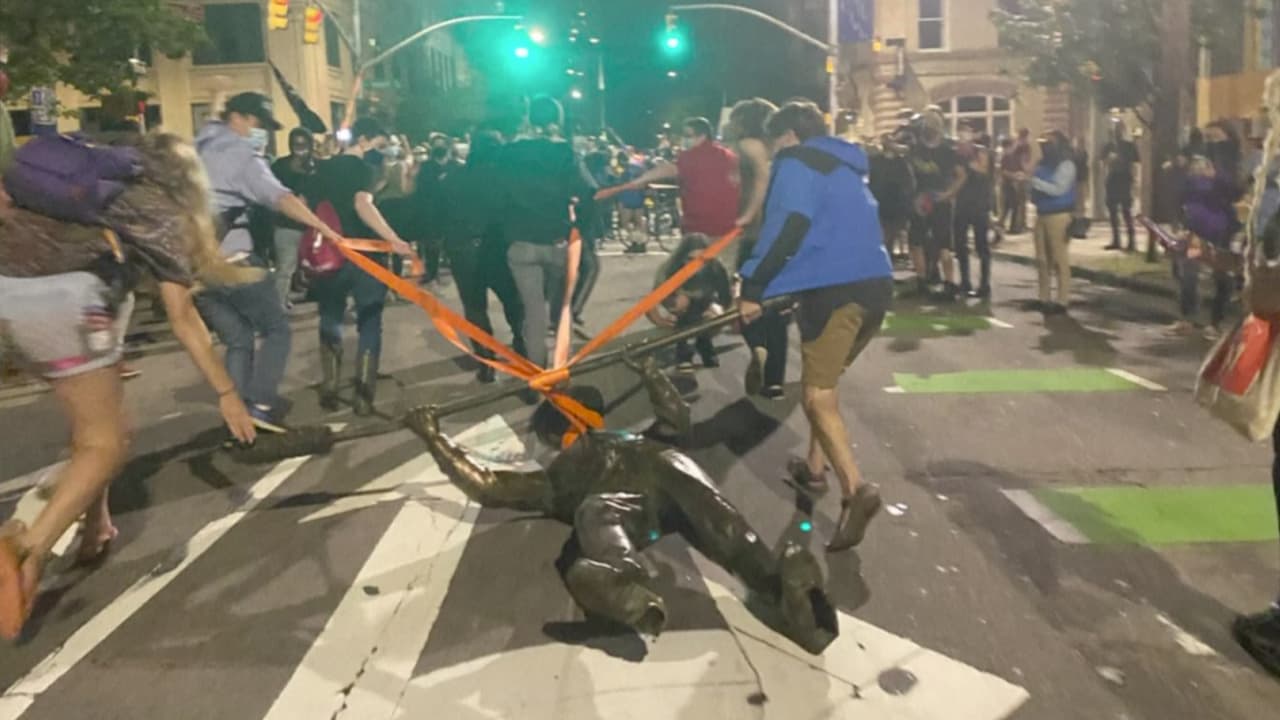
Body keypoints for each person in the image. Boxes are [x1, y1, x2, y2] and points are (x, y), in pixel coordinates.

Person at [0, 132, 258, 639]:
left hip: (7, 293)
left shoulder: (79, 180)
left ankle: (96, 529)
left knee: (98, 428)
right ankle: (22, 551)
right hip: (62, 305)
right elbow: (182, 317)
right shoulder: (161, 212)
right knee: (105, 443)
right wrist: (227, 393)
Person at [405, 390, 839, 655]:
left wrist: (432, 436)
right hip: (670, 471)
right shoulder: (638, 439)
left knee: (596, 517)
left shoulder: (559, 476)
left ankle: (622, 580)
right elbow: (675, 415)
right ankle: (794, 598)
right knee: (729, 531)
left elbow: (486, 486)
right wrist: (649, 370)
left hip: (623, 506)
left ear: (555, 437)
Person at [737, 100, 893, 552]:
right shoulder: (845, 167)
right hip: (875, 284)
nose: (770, 150)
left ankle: (855, 490)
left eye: (773, 141)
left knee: (817, 396)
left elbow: (789, 224)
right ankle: (814, 468)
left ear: (787, 136)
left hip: (833, 291)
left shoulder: (795, 163)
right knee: (824, 382)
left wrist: (754, 286)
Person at [194, 89, 345, 433]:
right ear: (242, 119)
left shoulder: (204, 140)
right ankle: (260, 405)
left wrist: (218, 96)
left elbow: (212, 120)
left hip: (197, 268)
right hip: (235, 260)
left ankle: (236, 412)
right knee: (276, 330)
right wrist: (324, 228)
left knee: (238, 339)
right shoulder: (243, 157)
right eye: (259, 123)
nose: (261, 132)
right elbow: (279, 197)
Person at [311, 117, 415, 416]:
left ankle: (330, 386)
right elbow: (362, 204)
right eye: (379, 145)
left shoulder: (323, 169)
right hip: (365, 256)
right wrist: (393, 239)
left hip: (329, 256)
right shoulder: (365, 170)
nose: (381, 153)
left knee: (329, 316)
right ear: (365, 140)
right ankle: (363, 395)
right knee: (369, 321)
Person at [497, 96, 596, 370]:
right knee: (561, 308)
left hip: (520, 241)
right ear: (557, 120)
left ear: (529, 118)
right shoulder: (565, 153)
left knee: (534, 312)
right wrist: (579, 228)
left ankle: (536, 373)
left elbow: (497, 193)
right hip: (556, 240)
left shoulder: (510, 153)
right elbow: (590, 191)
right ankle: (562, 369)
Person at [435, 130, 526, 383]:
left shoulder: (452, 178)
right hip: (497, 248)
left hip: (463, 248)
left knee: (475, 308)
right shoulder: (507, 178)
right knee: (514, 302)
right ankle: (523, 348)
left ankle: (486, 361)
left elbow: (440, 213)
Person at [725, 98, 790, 400]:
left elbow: (760, 181)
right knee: (777, 306)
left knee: (748, 299)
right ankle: (775, 380)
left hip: (756, 234)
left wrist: (749, 214)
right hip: (781, 233)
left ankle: (757, 345)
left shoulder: (749, 145)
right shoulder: (779, 149)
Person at [623, 117, 741, 263]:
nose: (684, 140)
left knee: (696, 276)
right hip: (729, 229)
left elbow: (669, 169)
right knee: (723, 276)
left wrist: (640, 180)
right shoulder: (729, 156)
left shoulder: (693, 156)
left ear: (702, 136)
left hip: (699, 229)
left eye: (688, 135)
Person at [1171, 122, 1244, 337]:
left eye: (1215, 136)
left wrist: (1216, 177)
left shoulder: (1231, 161)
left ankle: (1216, 320)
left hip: (1220, 229)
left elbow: (1236, 192)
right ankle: (1187, 317)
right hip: (1195, 228)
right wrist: (1181, 218)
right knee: (1189, 272)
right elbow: (1184, 191)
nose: (1211, 140)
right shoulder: (1198, 158)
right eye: (1207, 136)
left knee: (1221, 275)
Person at [646, 233, 732, 373]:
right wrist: (661, 321)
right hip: (680, 302)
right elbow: (650, 302)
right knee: (683, 305)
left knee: (714, 313)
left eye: (702, 260)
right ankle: (684, 350)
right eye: (691, 259)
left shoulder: (716, 268)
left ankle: (704, 342)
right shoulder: (670, 268)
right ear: (682, 258)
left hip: (706, 303)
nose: (696, 265)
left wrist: (718, 313)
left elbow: (726, 298)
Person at [908, 109, 966, 297]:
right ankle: (925, 281)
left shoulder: (947, 151)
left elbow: (961, 176)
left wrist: (948, 194)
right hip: (922, 200)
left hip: (936, 200)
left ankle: (946, 282)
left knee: (942, 244)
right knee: (918, 241)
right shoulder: (917, 148)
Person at [1028, 130, 1078, 314]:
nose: (1045, 147)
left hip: (1059, 215)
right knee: (1042, 259)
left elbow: (1058, 189)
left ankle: (1062, 300)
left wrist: (1034, 182)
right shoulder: (1042, 164)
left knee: (1059, 259)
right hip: (1041, 213)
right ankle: (1044, 297)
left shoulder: (1066, 164)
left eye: (1049, 143)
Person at [270, 128, 318, 306]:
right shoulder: (280, 166)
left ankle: (289, 297)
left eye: (304, 144)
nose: (300, 148)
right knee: (286, 267)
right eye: (296, 144)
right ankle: (277, 304)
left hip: (311, 225)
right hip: (287, 224)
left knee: (313, 266)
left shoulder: (315, 166)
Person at [411, 133, 463, 284]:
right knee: (431, 244)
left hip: (452, 210)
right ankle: (431, 272)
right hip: (432, 210)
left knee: (453, 243)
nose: (439, 148)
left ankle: (455, 270)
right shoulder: (426, 167)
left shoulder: (456, 167)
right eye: (436, 145)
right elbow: (420, 190)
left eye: (442, 145)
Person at [954, 123, 994, 298]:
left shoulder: (980, 151)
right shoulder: (955, 152)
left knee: (981, 245)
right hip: (961, 203)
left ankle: (984, 284)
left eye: (967, 131)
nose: (964, 135)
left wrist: (968, 162)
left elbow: (983, 170)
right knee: (960, 245)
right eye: (961, 131)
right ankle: (965, 281)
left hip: (979, 203)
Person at [868, 132, 915, 261]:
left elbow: (908, 183)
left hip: (893, 204)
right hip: (884, 203)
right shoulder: (877, 161)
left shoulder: (896, 162)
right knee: (886, 235)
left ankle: (885, 259)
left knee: (889, 234)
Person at [1103, 119, 1141, 251]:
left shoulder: (1129, 146)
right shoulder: (1109, 146)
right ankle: (1116, 240)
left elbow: (1135, 164)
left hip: (1125, 179)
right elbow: (1103, 163)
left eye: (1119, 129)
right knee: (1113, 212)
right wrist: (1109, 159)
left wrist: (1135, 181)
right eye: (1115, 129)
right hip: (1112, 179)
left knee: (1126, 212)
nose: (1117, 132)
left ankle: (1131, 241)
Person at [999, 128, 1032, 235]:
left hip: (1015, 182)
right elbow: (1004, 171)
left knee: (1014, 205)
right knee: (1011, 205)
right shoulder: (1008, 155)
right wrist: (1017, 175)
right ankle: (1010, 226)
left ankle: (1013, 226)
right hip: (1010, 183)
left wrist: (1020, 174)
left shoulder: (1015, 153)